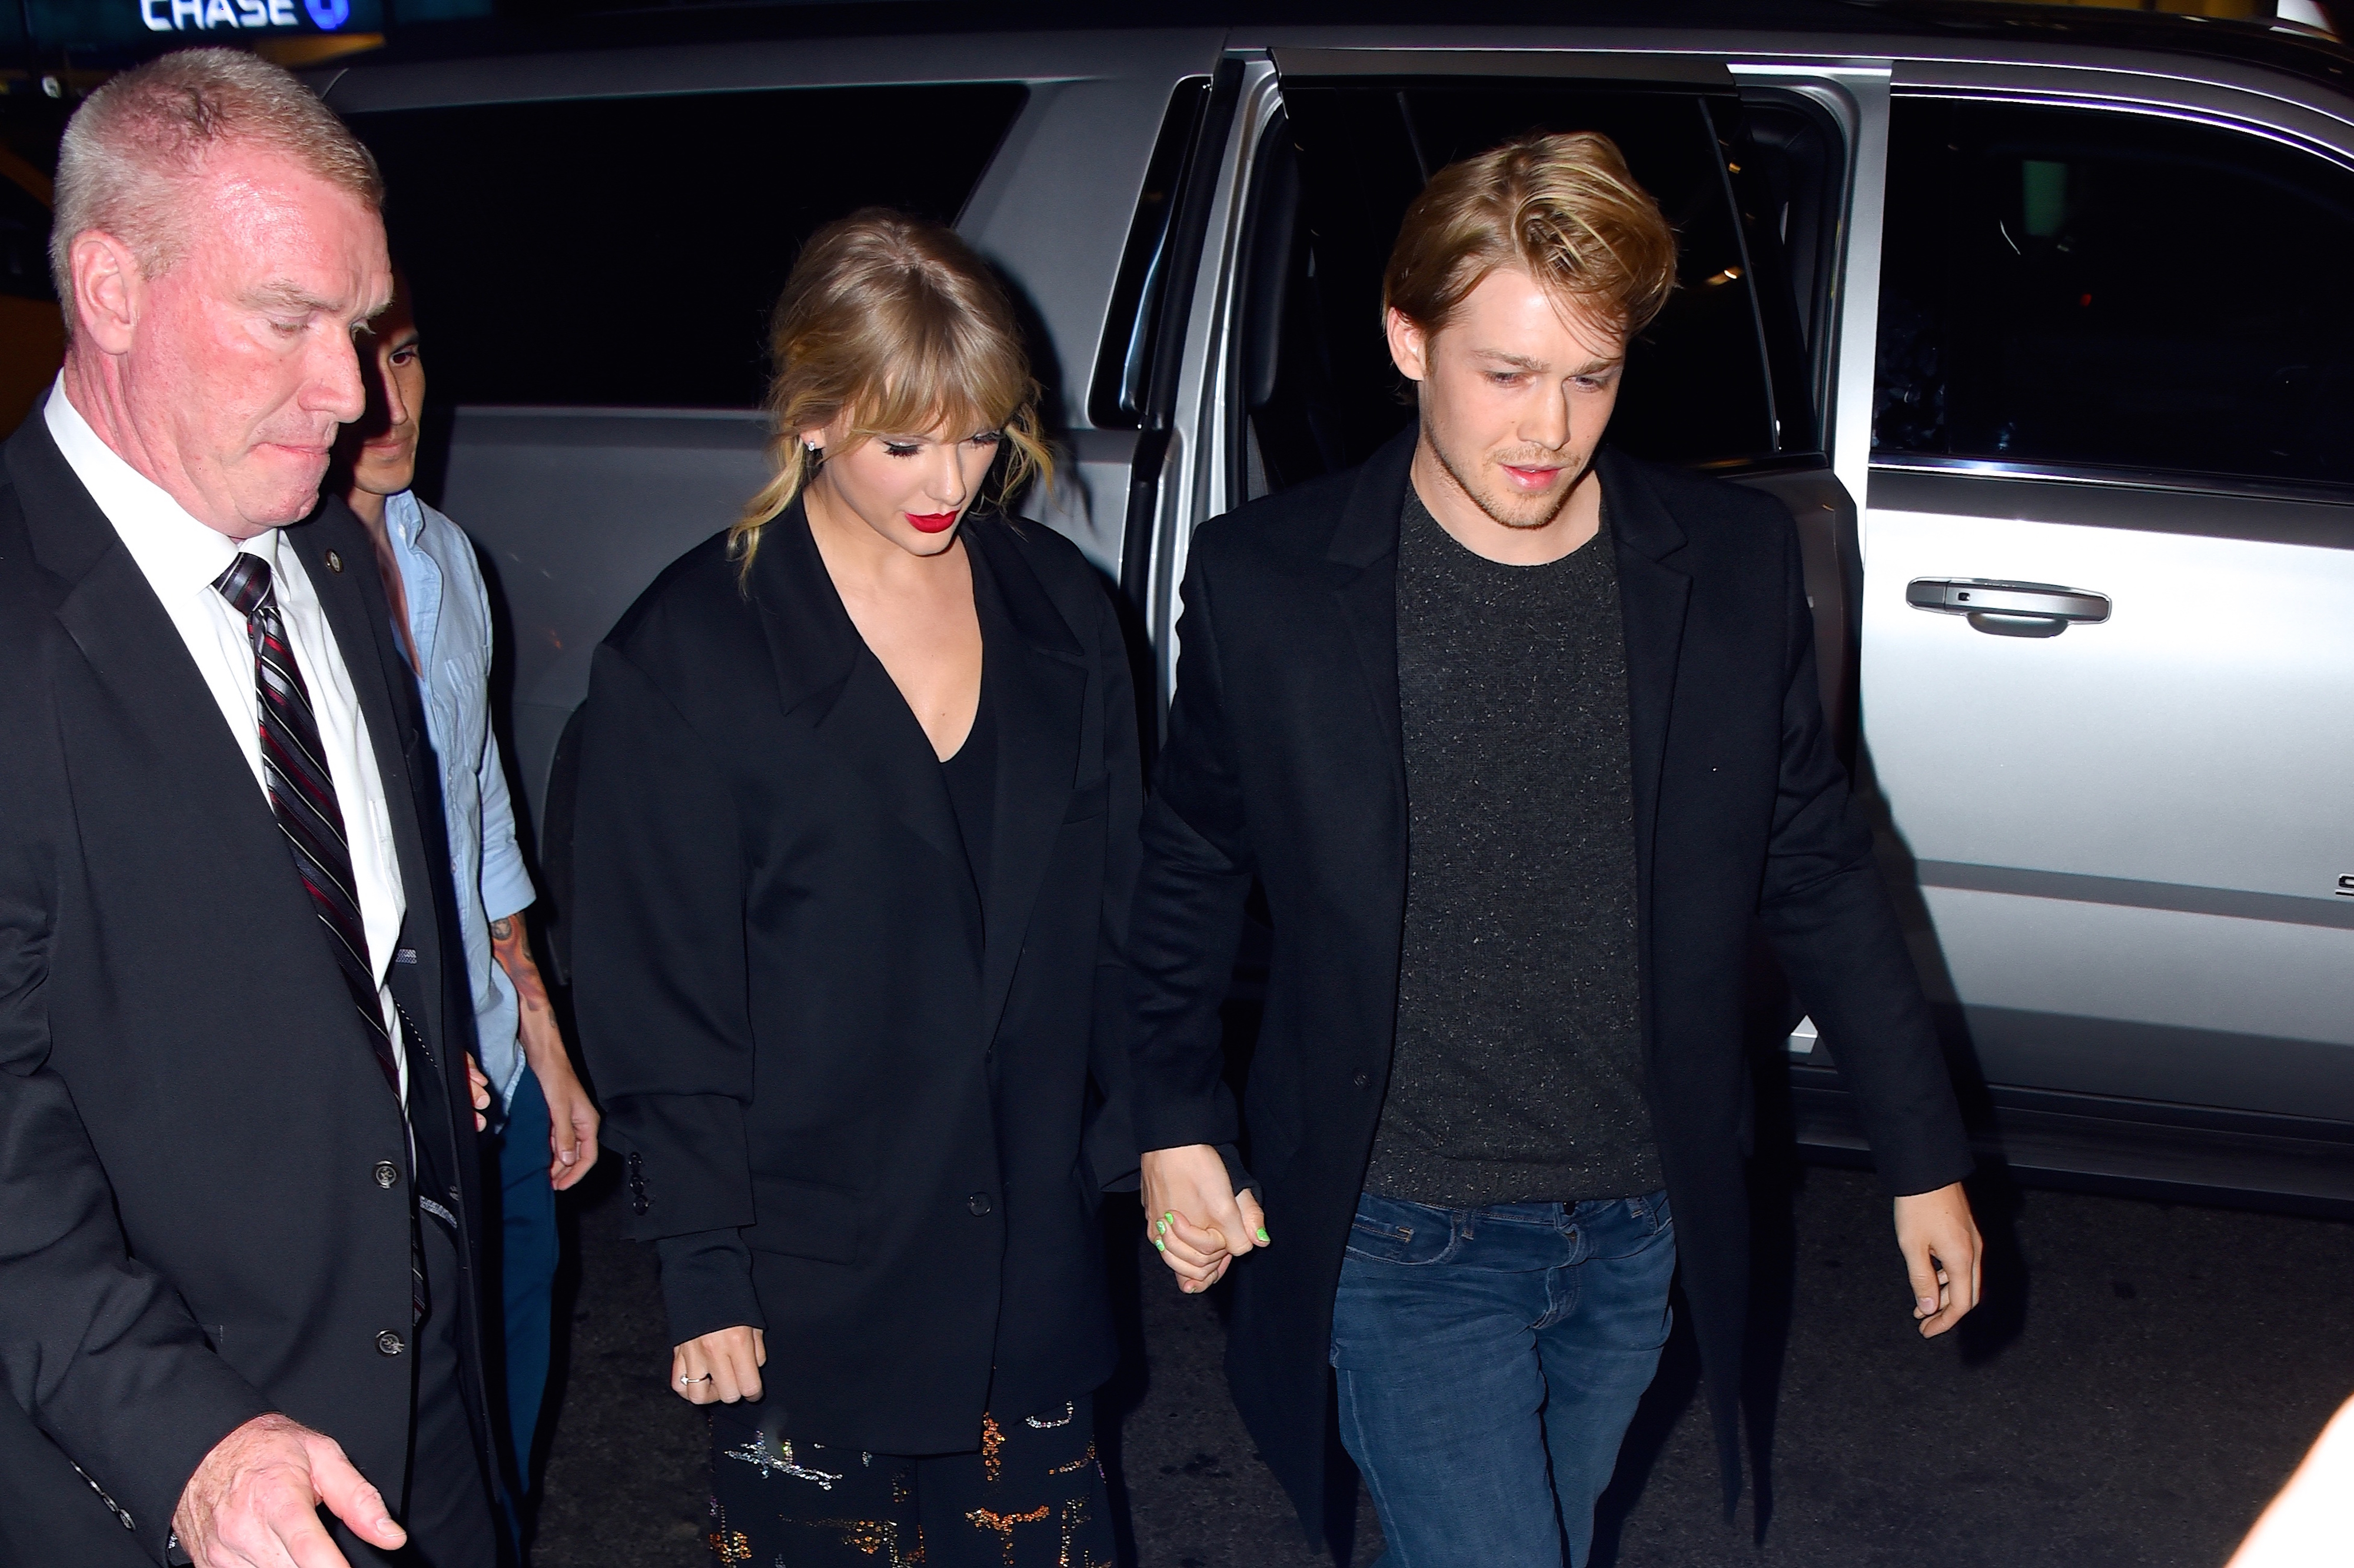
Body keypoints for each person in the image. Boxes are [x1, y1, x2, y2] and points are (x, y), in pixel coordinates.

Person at [1128, 130, 1984, 1567]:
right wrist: (1170, 1117)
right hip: (1399, 1231)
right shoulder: (1268, 584)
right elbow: (1189, 864)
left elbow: (1817, 861)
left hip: (1635, 1215)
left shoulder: (1721, 561)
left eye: (1590, 376)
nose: (1548, 427)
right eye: (1504, 373)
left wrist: (1920, 1153)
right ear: (1407, 339)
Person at [570, 209, 1139, 1568]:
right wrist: (705, 1270)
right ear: (811, 416)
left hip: (1025, 1270)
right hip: (812, 1283)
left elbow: (1123, 917)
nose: (950, 476)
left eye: (980, 431)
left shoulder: (1062, 609)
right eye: (904, 440)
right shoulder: (690, 654)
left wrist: (1167, 1129)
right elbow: (662, 997)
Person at [0, 47, 503, 1568]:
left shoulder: (329, 557)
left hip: (427, 1409)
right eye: (287, 322)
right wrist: (187, 1438)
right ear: (113, 287)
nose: (350, 392)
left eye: (357, 330)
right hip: (171, 1470)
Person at [335, 274, 600, 1526]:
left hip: (494, 1056)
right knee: (411, 1435)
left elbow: (479, 797)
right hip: (385, 1094)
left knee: (516, 1385)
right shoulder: (277, 583)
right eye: (359, 359)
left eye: (409, 354)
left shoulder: (447, 555)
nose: (388, 398)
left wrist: (540, 1027)